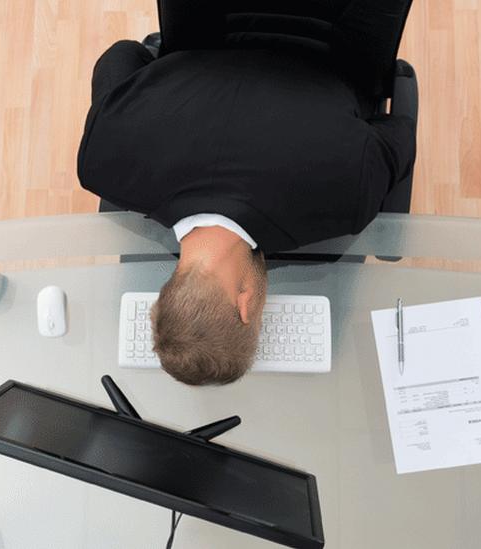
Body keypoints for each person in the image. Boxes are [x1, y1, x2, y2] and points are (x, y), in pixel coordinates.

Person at [78, 29, 415, 386]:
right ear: (162, 296)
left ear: (245, 305)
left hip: (334, 52)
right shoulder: (104, 158)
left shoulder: (349, 194)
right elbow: (123, 55)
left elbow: (397, 132)